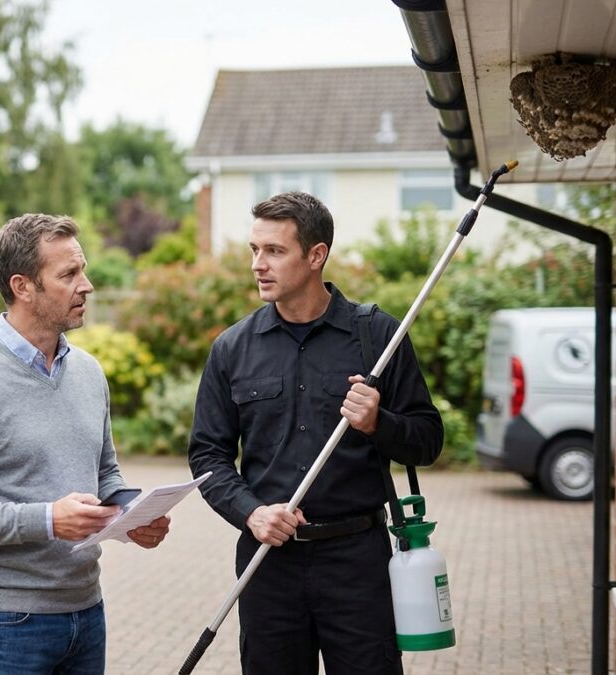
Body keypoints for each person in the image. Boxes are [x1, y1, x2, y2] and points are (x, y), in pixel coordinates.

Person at [187, 192, 444, 675]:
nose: (258, 265)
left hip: (357, 564)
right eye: (254, 250)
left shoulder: (378, 337)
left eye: (274, 251)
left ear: (316, 255)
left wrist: (377, 422)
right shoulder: (232, 348)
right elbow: (207, 456)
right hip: (268, 562)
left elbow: (428, 439)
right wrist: (251, 512)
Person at [0, 213, 171, 675]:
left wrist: (131, 515)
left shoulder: (89, 373)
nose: (87, 285)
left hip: (86, 611)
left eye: (83, 270)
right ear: (23, 286)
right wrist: (48, 519)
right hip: (2, 623)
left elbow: (105, 472)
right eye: (68, 274)